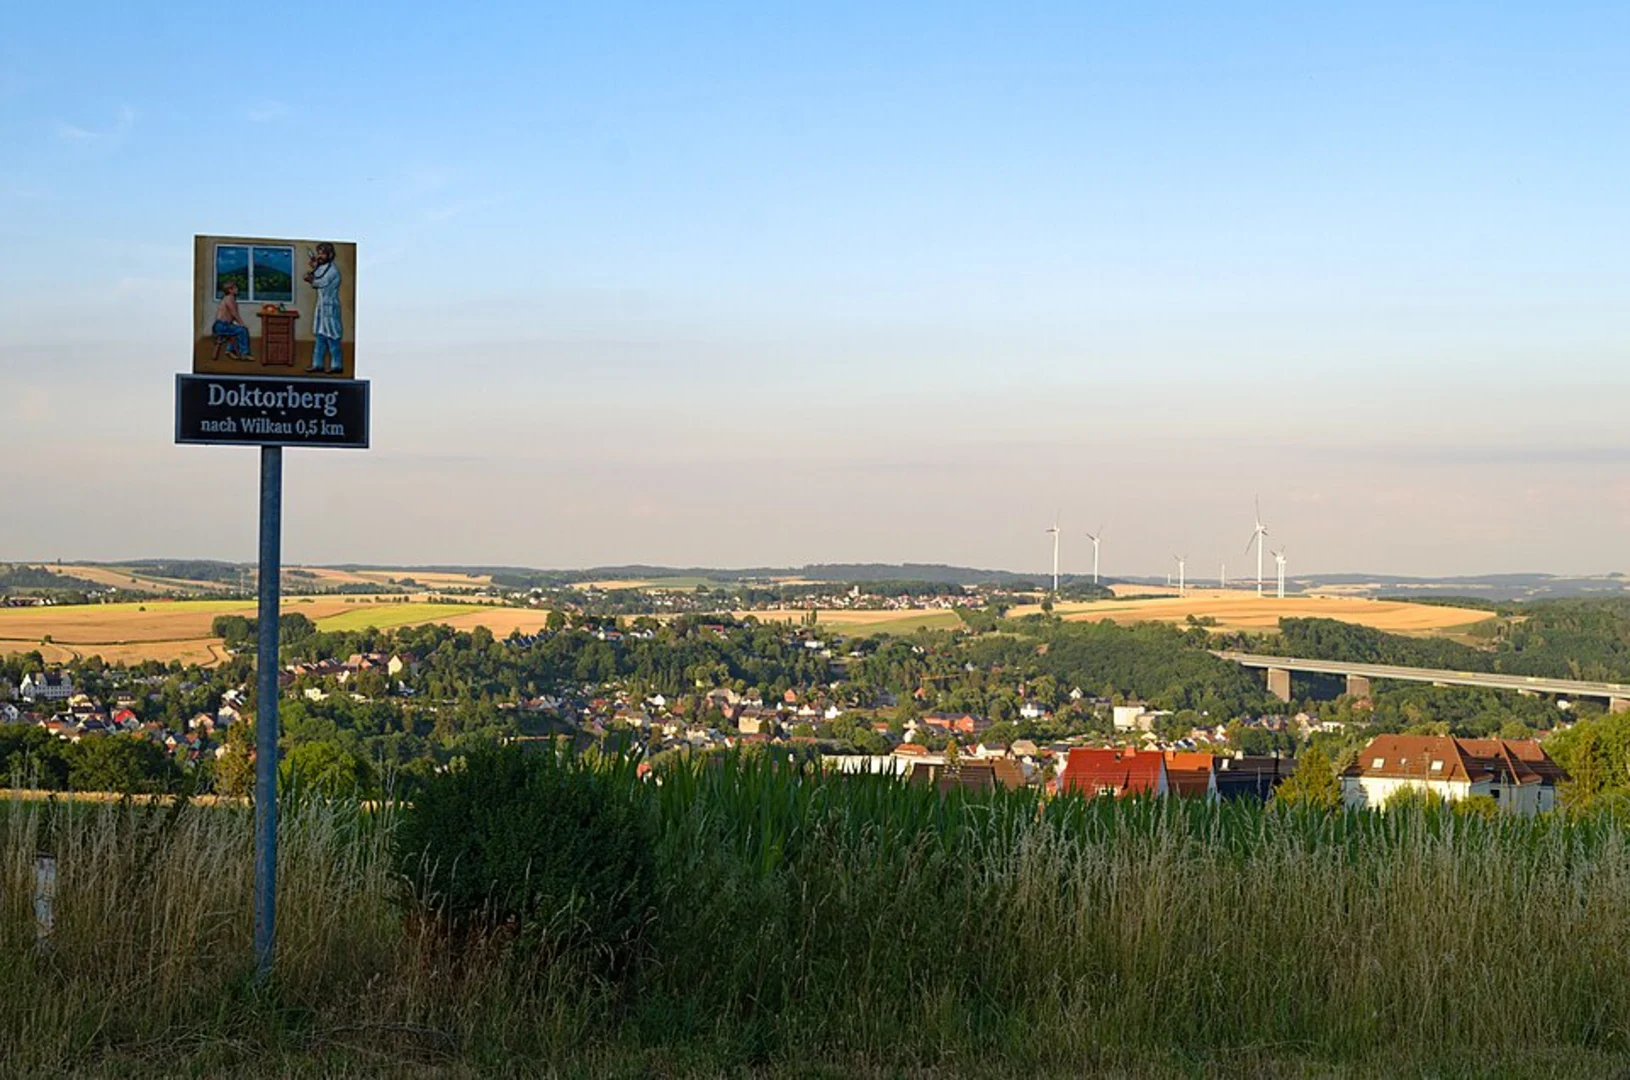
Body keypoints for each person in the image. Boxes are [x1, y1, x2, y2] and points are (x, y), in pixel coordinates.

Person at [304, 243, 343, 373]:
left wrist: (311, 280)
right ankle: (317, 364)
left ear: (330, 255)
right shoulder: (323, 267)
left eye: (322, 253)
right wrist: (314, 267)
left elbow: (321, 282)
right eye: (318, 253)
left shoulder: (333, 271)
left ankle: (337, 365)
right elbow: (318, 273)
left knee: (332, 338)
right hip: (321, 307)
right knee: (320, 337)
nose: (319, 256)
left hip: (330, 307)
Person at [212, 282, 252, 359]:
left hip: (223, 325)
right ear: (230, 290)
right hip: (221, 326)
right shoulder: (229, 298)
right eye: (235, 288)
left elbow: (232, 316)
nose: (237, 289)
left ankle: (230, 350)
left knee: (236, 330)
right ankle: (244, 353)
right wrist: (242, 324)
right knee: (243, 330)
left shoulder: (230, 299)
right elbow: (234, 314)